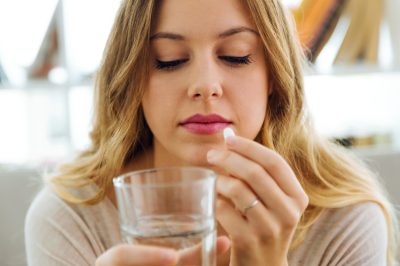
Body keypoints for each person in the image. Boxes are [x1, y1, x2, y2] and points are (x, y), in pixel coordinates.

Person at [25, 0, 398, 265]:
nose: (205, 86)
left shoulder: (345, 219)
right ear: (134, 78)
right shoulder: (71, 217)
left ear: (274, 76)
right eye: (168, 60)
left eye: (236, 56)